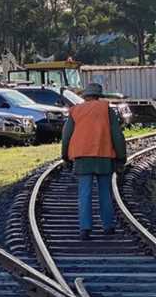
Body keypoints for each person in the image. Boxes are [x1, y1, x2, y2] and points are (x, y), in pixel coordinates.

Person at [61, 82, 126, 240]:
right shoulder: (106, 110)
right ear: (99, 96)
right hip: (104, 157)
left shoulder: (76, 111)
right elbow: (117, 135)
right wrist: (121, 158)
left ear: (85, 96)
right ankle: (108, 227)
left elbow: (66, 136)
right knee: (105, 192)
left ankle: (85, 229)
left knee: (85, 193)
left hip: (83, 157)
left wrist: (65, 156)